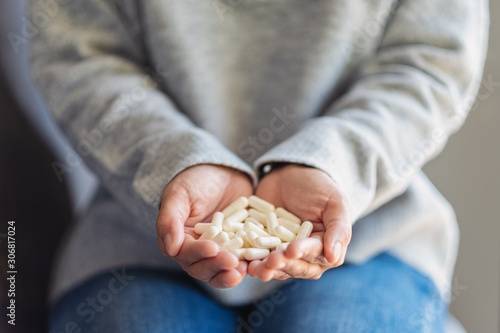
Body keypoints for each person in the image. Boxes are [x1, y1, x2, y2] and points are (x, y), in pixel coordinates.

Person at [29, 0, 488, 332]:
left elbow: (429, 64)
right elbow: (81, 60)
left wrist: (330, 165)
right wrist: (173, 163)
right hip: (138, 246)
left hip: (369, 238)